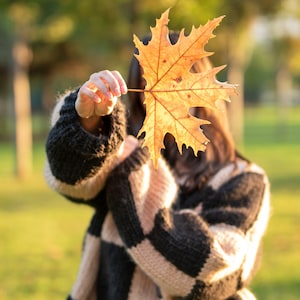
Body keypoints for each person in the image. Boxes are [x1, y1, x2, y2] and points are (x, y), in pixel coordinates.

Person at [45, 33, 270, 300]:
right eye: (145, 82)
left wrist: (133, 167)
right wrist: (88, 122)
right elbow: (71, 181)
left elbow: (208, 270)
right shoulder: (116, 144)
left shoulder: (244, 181)